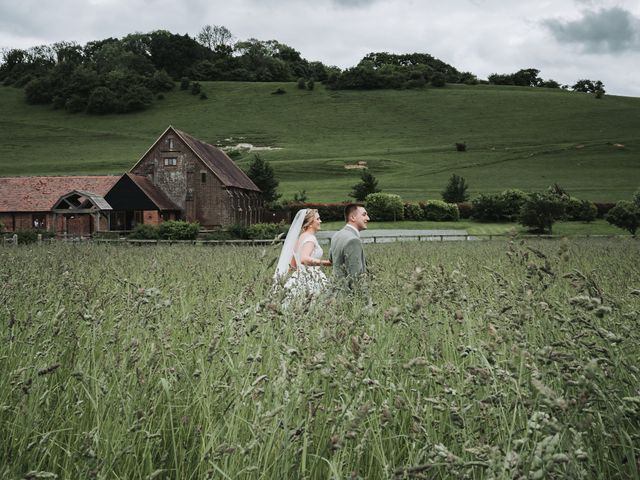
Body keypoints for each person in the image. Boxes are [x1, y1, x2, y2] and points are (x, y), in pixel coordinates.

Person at [273, 209, 331, 300]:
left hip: (298, 278)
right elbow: (304, 259)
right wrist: (326, 262)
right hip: (312, 279)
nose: (320, 221)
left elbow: (292, 265)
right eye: (318, 219)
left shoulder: (300, 238)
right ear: (310, 223)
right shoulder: (310, 239)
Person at [329, 203, 369, 289]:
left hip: (334, 290)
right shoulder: (353, 240)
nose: (368, 218)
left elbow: (332, 260)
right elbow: (356, 278)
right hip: (347, 295)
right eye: (364, 215)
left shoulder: (336, 235)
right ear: (352, 217)